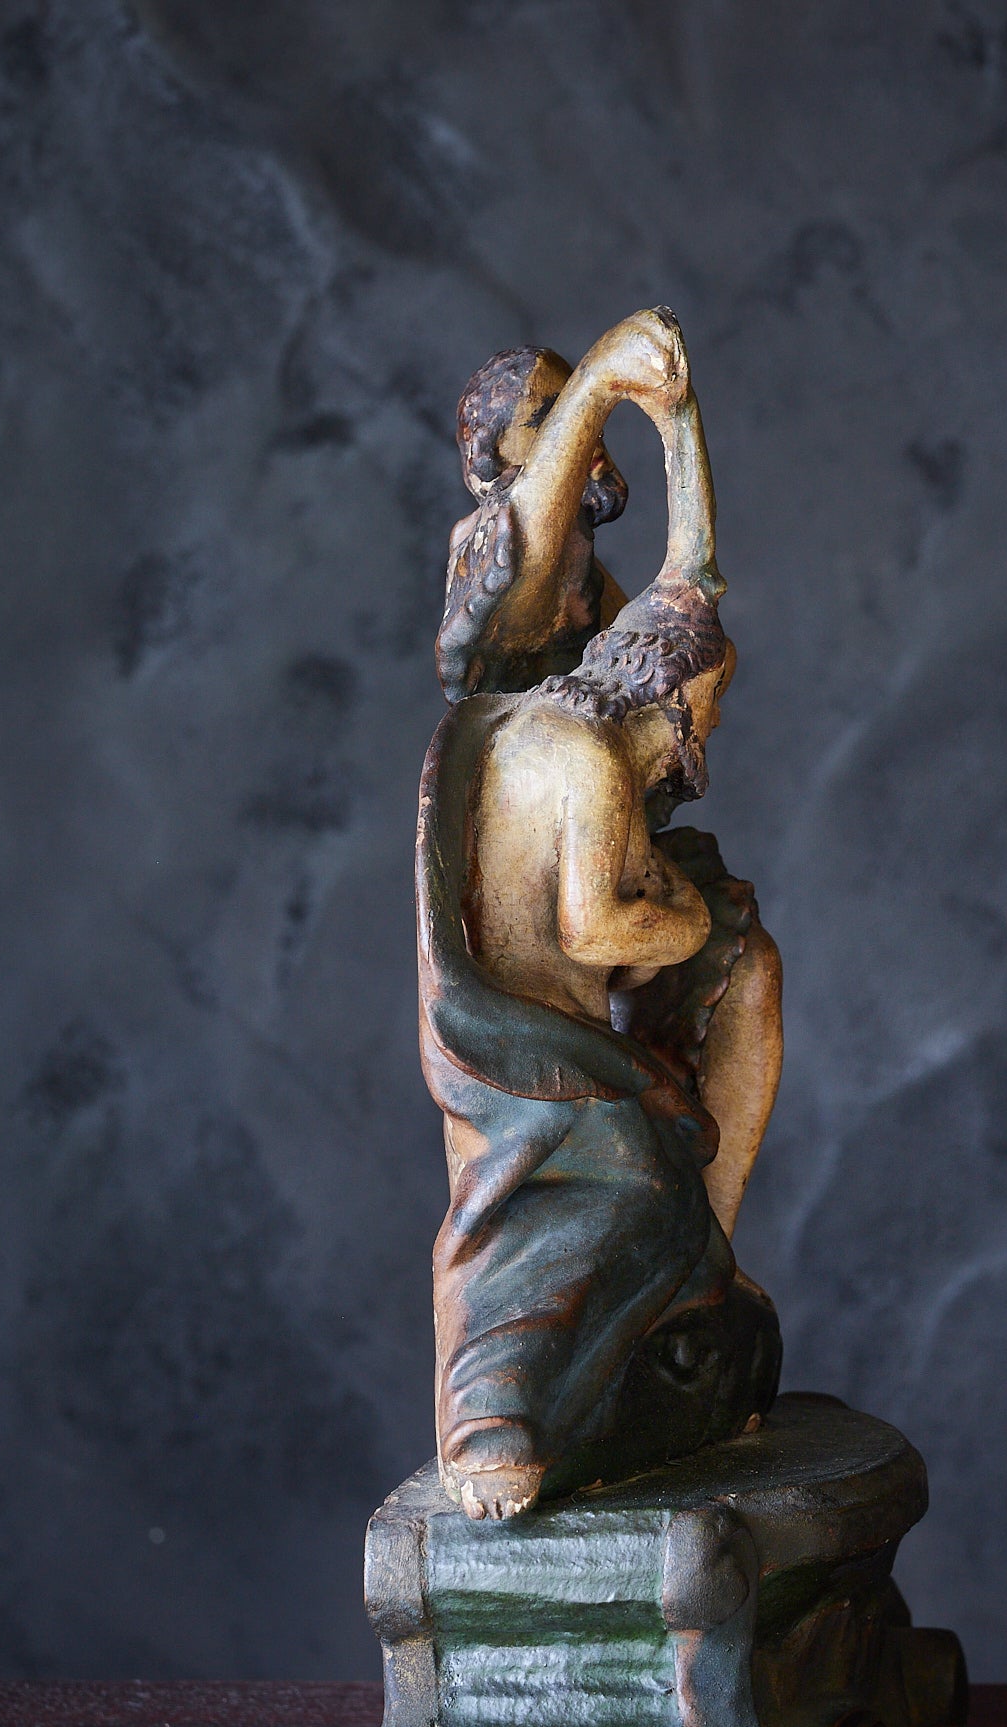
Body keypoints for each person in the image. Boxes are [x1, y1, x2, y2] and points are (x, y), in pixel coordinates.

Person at [416, 309, 784, 1519]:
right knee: (608, 1162)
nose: (572, 440)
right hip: (520, 888)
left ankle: (702, 1265)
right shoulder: (498, 542)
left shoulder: (598, 592)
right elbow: (508, 609)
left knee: (746, 971)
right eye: (544, 415)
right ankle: (496, 1400)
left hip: (601, 830)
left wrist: (678, 430)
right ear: (497, 455)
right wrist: (603, 386)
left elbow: (688, 592)